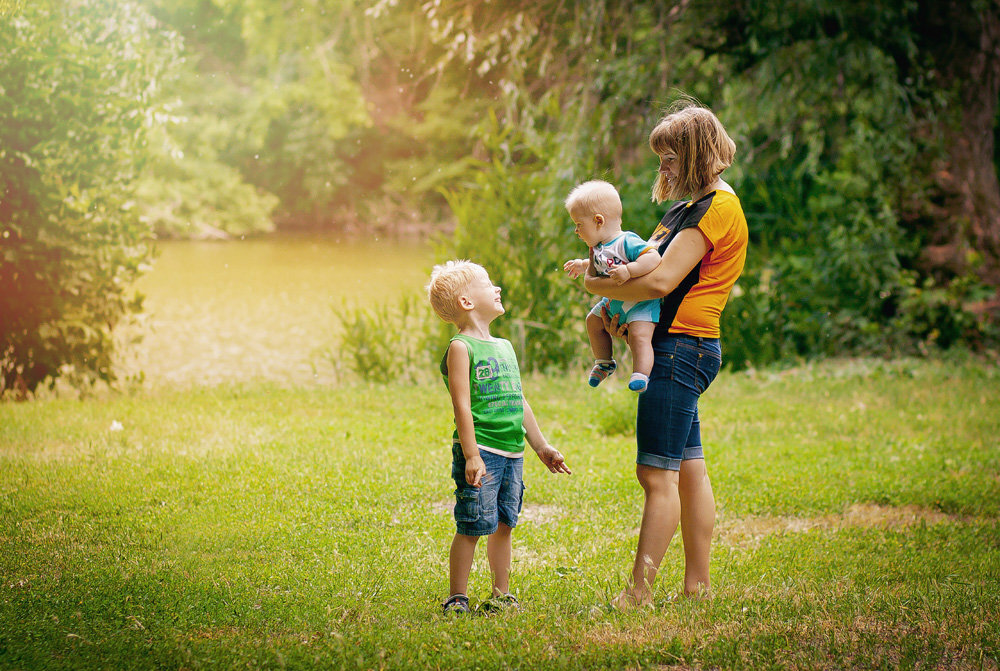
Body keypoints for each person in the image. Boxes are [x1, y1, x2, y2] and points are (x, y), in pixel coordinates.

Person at [583, 101, 748, 607]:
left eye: (669, 158)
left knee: (656, 473)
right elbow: (627, 272)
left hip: (682, 348)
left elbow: (657, 279)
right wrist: (610, 305)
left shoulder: (716, 208)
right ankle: (697, 588)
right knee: (689, 469)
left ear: (696, 153)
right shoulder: (682, 209)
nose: (663, 169)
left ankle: (639, 593)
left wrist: (599, 285)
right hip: (676, 346)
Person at [426, 260, 572, 615]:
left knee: (504, 524)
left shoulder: (504, 346)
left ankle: (500, 594)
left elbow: (518, 399)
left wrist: (540, 445)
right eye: (488, 284)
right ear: (466, 302)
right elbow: (461, 406)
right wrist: (472, 455)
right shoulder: (461, 348)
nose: (498, 288)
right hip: (483, 452)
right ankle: (457, 596)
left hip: (512, 452)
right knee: (473, 524)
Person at [562, 180, 662, 392]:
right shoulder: (599, 248)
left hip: (640, 304)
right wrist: (582, 265)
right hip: (615, 302)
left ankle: (641, 374)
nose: (576, 231)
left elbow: (653, 258)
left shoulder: (626, 241)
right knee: (593, 321)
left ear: (598, 220)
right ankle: (604, 362)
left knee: (639, 336)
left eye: (579, 225)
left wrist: (630, 270)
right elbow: (602, 265)